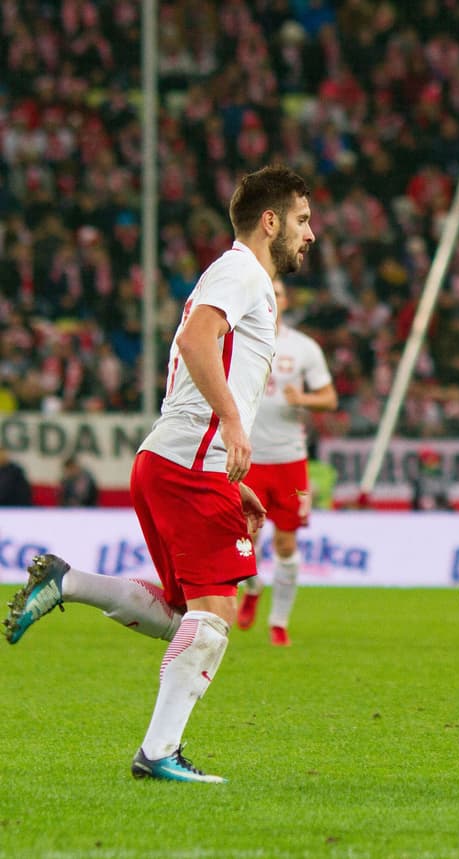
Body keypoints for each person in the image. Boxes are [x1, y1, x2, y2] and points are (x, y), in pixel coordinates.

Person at [3, 165, 315, 783]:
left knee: (186, 615)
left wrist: (231, 471)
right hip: (187, 464)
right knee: (215, 616)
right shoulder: (243, 271)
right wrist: (231, 426)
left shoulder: (237, 275)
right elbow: (200, 344)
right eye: (303, 220)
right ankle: (158, 754)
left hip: (174, 461)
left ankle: (69, 582)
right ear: (270, 221)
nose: (311, 235)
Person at [237, 278, 337, 647]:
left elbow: (329, 398)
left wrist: (305, 400)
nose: (272, 298)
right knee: (244, 538)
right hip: (249, 457)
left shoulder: (304, 347)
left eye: (277, 293)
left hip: (290, 459)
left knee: (284, 543)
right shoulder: (239, 338)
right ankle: (252, 586)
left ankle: (278, 622)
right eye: (267, 292)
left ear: (285, 300)